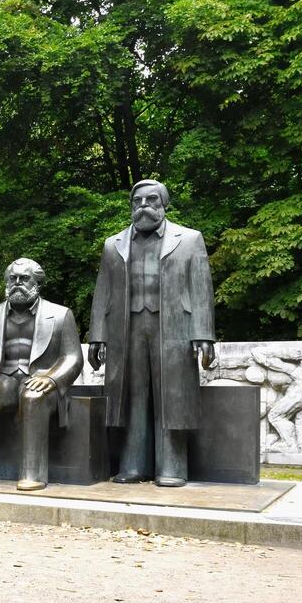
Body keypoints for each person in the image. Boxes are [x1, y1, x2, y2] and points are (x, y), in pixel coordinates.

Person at [89, 180, 216, 487]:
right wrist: (96, 335)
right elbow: (103, 291)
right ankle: (133, 465)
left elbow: (201, 287)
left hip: (173, 329)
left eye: (151, 200)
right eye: (137, 201)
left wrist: (204, 333)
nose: (143, 205)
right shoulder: (113, 244)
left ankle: (172, 466)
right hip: (127, 328)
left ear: (164, 204)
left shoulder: (189, 239)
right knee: (132, 396)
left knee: (171, 396)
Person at [0, 259, 84, 491]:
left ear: (37, 282)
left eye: (24, 279)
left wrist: (51, 379)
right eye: (12, 279)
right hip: (4, 378)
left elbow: (73, 358)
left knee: (33, 396)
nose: (17, 283)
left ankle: (32, 474)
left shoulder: (61, 315)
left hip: (42, 381)